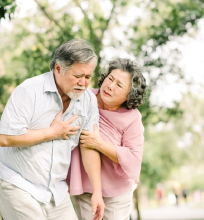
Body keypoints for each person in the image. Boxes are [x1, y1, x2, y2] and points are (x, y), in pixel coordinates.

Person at [0, 39, 104, 220]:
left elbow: (89, 145)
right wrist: (52, 132)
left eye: (88, 77)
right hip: (17, 183)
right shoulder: (28, 91)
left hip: (56, 191)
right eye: (78, 75)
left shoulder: (88, 101)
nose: (83, 83)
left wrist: (97, 191)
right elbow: (5, 138)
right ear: (58, 69)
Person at [67, 58, 147, 220]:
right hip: (85, 186)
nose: (110, 86)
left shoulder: (132, 118)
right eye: (110, 79)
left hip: (117, 193)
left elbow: (133, 158)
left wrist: (99, 144)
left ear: (128, 95)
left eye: (119, 85)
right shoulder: (84, 97)